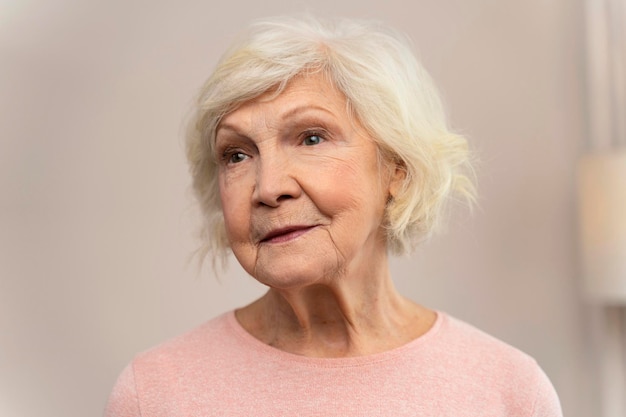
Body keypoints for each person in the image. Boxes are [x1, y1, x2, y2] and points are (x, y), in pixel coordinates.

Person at [104, 15, 562, 417]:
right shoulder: (157, 394)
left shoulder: (509, 392)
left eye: (311, 138)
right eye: (237, 155)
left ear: (396, 169)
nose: (267, 188)